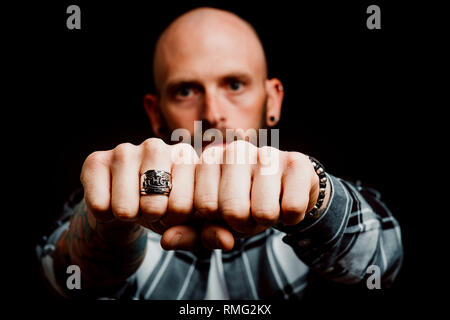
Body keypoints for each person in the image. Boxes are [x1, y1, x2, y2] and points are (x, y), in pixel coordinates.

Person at [36, 7, 403, 300]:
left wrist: (318, 200)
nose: (212, 113)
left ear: (272, 99)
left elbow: (386, 260)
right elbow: (62, 279)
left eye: (235, 84)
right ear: (156, 113)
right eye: (185, 91)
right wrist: (106, 227)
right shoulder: (119, 204)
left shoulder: (311, 205)